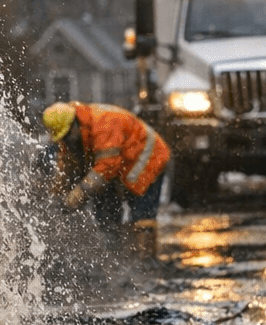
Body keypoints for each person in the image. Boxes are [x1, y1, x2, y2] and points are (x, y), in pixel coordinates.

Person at [41, 101, 170, 259]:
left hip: (148, 158)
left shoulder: (104, 123)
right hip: (122, 164)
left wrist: (79, 192)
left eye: (67, 136)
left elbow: (107, 166)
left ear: (74, 123)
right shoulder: (74, 132)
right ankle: (117, 256)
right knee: (106, 211)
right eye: (63, 138)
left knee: (142, 215)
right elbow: (67, 164)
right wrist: (56, 194)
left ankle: (146, 261)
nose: (67, 141)